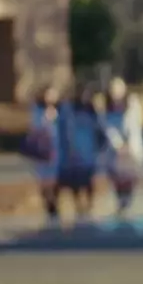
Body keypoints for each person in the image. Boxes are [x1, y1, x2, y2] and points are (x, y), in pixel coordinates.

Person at [100, 77, 143, 217]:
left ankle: (126, 201)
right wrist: (118, 144)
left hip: (131, 147)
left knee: (131, 176)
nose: (116, 92)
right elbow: (107, 127)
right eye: (114, 89)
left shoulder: (132, 104)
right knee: (116, 177)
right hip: (115, 149)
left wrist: (129, 144)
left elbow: (135, 125)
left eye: (119, 89)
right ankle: (120, 201)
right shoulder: (107, 107)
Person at [58, 83, 103, 219]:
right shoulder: (68, 109)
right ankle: (78, 204)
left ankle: (88, 205)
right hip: (74, 150)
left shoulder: (91, 111)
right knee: (75, 180)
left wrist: (99, 146)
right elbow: (64, 129)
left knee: (88, 178)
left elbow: (99, 129)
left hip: (88, 150)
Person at [25, 85, 63, 222]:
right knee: (44, 182)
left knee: (55, 181)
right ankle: (49, 207)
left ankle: (54, 207)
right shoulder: (38, 111)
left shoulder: (61, 111)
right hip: (43, 153)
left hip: (57, 151)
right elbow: (35, 129)